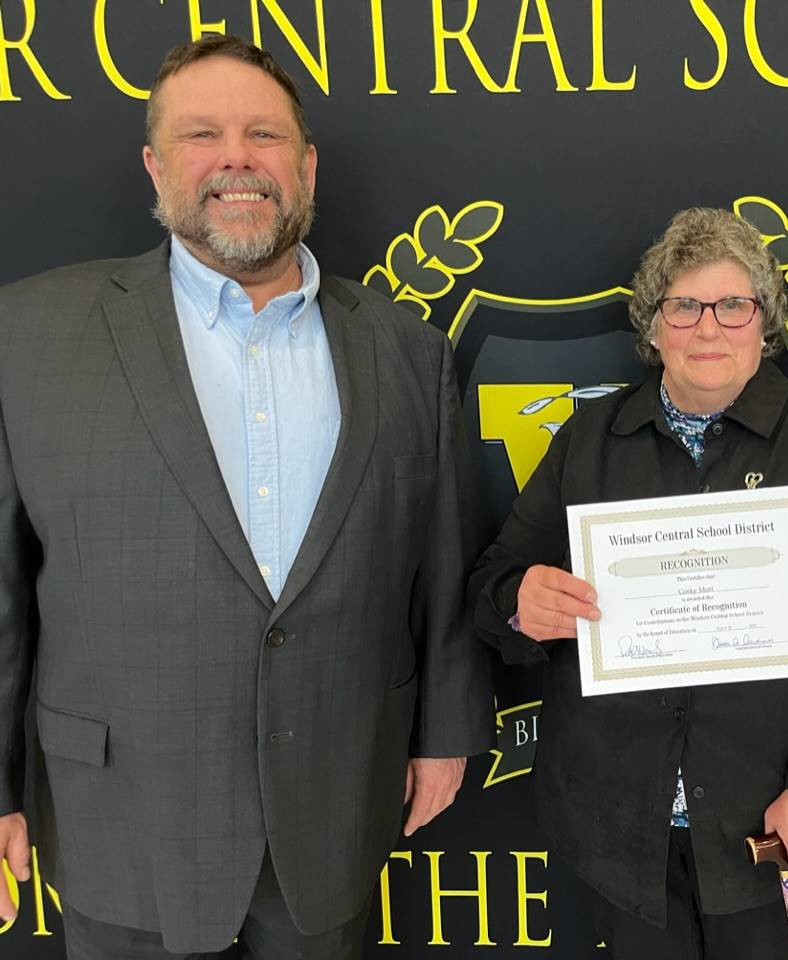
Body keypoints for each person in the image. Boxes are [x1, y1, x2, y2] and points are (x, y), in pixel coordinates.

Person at [0, 35, 492, 958]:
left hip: (336, 803)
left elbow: (441, 557)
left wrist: (446, 734)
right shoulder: (25, 335)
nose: (236, 157)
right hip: (122, 818)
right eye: (201, 134)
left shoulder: (405, 349)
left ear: (304, 167)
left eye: (263, 133)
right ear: (155, 165)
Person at [469, 207, 788, 959]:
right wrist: (518, 601)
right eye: (684, 305)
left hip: (767, 825)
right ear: (653, 325)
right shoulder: (592, 439)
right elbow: (493, 586)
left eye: (734, 305)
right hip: (617, 836)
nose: (708, 327)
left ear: (764, 324)